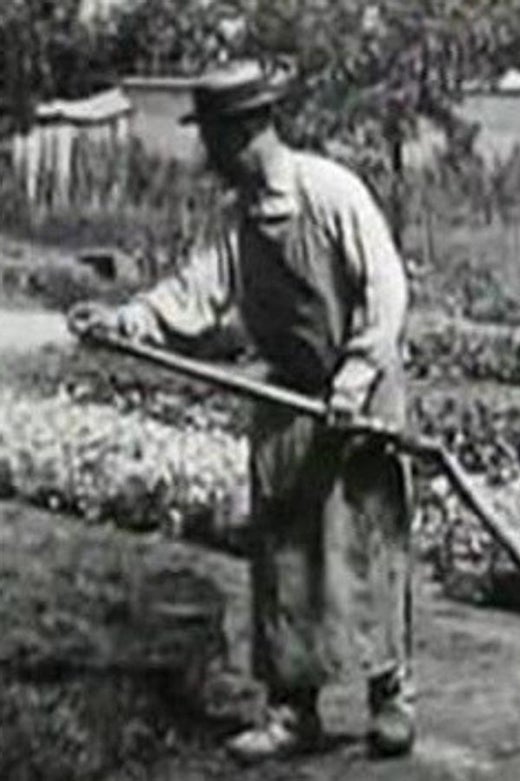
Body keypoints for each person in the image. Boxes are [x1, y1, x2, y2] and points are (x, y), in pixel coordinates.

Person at [68, 60, 415, 763]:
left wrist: (353, 376)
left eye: (216, 139)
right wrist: (127, 318)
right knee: (285, 555)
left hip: (363, 392)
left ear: (247, 130)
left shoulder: (331, 192)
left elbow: (386, 289)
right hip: (287, 399)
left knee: (369, 546)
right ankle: (293, 711)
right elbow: (196, 293)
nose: (209, 157)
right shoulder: (244, 219)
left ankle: (392, 699)